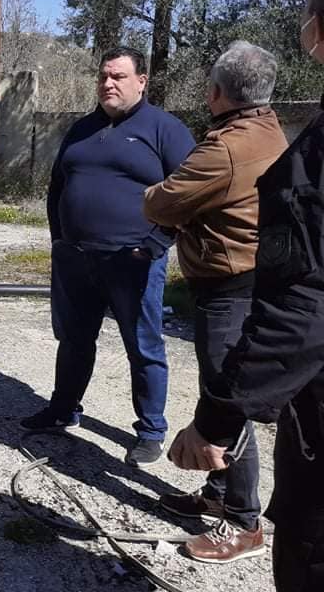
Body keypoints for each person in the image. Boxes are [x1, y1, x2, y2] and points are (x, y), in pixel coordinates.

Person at [169, 0, 324, 589]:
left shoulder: (237, 146)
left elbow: (305, 304)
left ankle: (238, 514)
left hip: (230, 292)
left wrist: (217, 417)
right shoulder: (277, 134)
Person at [144, 41, 287, 563]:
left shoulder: (224, 148)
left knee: (230, 397)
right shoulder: (267, 128)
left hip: (229, 288)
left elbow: (162, 201)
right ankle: (219, 493)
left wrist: (162, 202)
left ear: (216, 92)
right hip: (251, 279)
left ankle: (243, 523)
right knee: (222, 389)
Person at [21, 47, 195, 467]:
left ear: (142, 81)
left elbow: (191, 193)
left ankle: (151, 429)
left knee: (143, 346)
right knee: (74, 340)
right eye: (103, 76)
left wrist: (156, 245)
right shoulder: (81, 129)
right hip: (75, 259)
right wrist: (60, 240)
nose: (108, 83)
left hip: (131, 262)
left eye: (118, 76)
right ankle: (64, 409)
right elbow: (57, 187)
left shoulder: (164, 130)